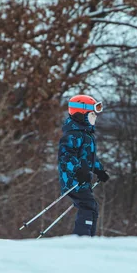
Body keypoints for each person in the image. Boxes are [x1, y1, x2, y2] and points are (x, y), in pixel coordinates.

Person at [57, 94, 110, 236]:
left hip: (82, 179)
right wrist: (78, 170)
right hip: (73, 179)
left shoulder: (86, 135)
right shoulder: (72, 135)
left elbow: (89, 159)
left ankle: (88, 237)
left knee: (91, 206)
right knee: (88, 205)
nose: (95, 118)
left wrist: (99, 171)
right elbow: (66, 157)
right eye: (92, 114)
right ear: (81, 115)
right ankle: (82, 238)